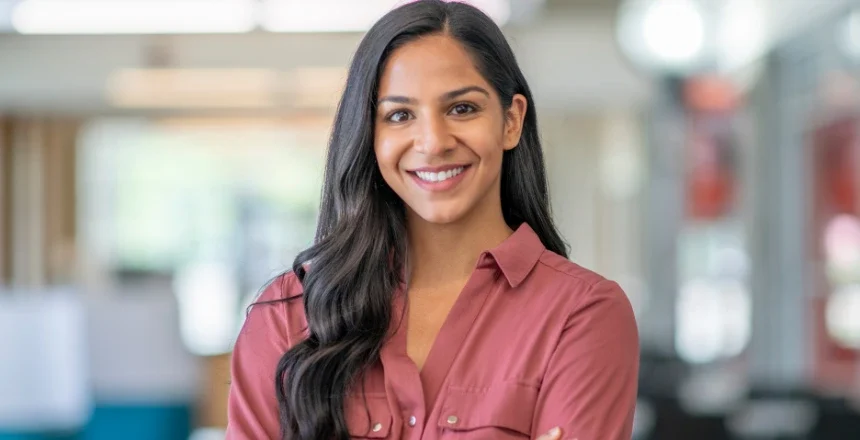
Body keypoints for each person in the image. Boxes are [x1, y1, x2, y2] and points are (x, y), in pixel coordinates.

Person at [226, 1, 639, 439]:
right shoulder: (289, 313)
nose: (434, 142)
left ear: (511, 121)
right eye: (400, 115)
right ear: (371, 135)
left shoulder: (582, 315)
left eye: (462, 109)